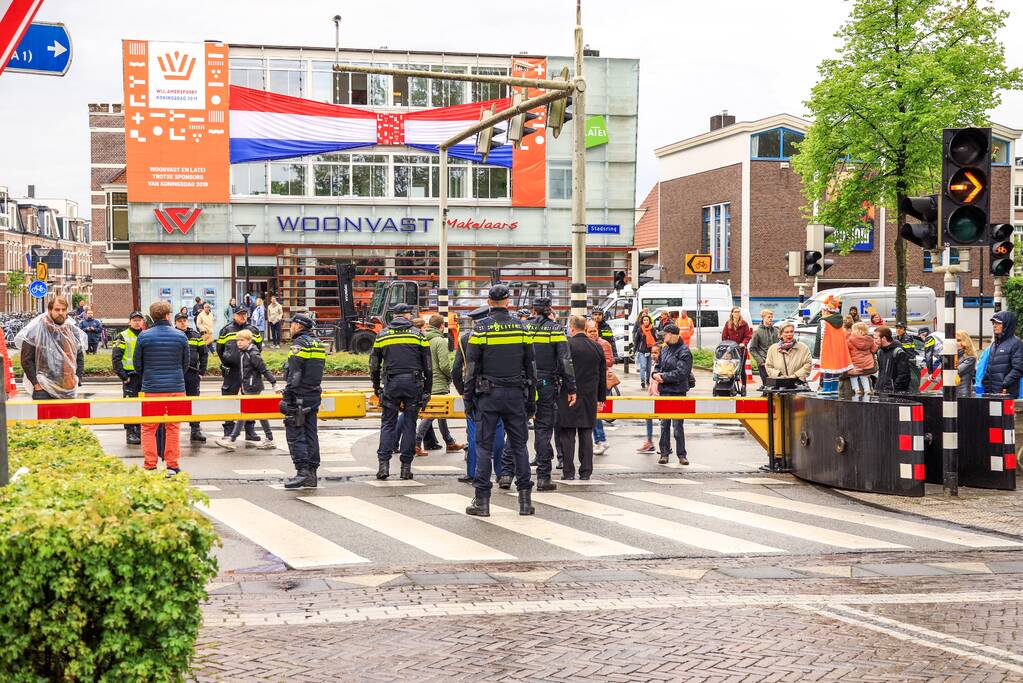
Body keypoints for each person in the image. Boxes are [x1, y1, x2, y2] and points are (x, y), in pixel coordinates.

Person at [464, 285, 537, 517]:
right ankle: (525, 501)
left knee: (484, 447)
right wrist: (531, 401)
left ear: (489, 301)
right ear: (508, 301)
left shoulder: (481, 329)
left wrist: (468, 399)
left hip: (488, 396)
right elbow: (531, 367)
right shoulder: (522, 327)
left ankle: (482, 502)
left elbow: (471, 369)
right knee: (519, 447)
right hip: (516, 394)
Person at [370, 303, 432, 481]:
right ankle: (406, 468)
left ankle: (383, 465)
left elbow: (374, 365)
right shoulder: (418, 335)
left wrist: (377, 387)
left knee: (388, 424)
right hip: (413, 384)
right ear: (406, 316)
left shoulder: (382, 335)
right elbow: (428, 366)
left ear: (394, 316)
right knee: (409, 425)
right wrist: (427, 390)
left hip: (391, 384)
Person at [133, 300, 189, 476]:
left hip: (151, 388)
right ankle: (172, 465)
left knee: (149, 427)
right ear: (168, 315)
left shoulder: (143, 336)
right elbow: (185, 364)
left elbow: (137, 364)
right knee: (173, 427)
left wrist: (148, 376)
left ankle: (150, 465)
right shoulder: (180, 336)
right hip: (176, 388)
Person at [526, 297, 576, 492]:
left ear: (534, 311)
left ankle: (506, 473)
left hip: (525, 383)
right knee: (544, 430)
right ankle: (543, 477)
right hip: (546, 384)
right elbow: (565, 361)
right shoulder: (555, 330)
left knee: (517, 428)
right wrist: (571, 388)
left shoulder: (524, 327)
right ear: (548, 310)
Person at [453, 306, 506, 485]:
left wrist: (463, 391)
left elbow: (455, 370)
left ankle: (474, 472)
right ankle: (501, 472)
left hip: (475, 390)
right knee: (499, 431)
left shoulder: (466, 339)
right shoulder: (500, 335)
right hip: (500, 388)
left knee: (475, 432)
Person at [557, 315, 606, 481]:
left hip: (568, 394)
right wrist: (601, 397)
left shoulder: (567, 345)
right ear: (585, 327)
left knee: (567, 434)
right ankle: (586, 471)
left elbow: (561, 369)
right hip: (589, 396)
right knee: (586, 432)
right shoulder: (596, 347)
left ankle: (568, 471)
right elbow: (602, 375)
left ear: (571, 327)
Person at [282, 314, 327, 489]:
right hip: (313, 394)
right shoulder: (317, 343)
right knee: (310, 433)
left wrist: (288, 395)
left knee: (295, 433)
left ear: (299, 325)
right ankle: (312, 474)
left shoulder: (299, 344)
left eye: (292, 324)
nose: (290, 326)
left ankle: (302, 472)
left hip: (299, 395)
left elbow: (295, 372)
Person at [216, 329, 277, 450]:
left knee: (243, 413)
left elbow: (263, 369)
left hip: (252, 387)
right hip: (247, 387)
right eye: (237, 340)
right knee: (259, 413)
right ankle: (270, 438)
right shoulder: (243, 352)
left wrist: (274, 383)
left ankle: (232, 439)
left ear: (249, 341)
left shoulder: (252, 353)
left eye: (242, 340)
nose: (239, 343)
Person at [16, 295, 86, 400]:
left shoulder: (72, 330)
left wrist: (77, 379)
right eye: (57, 309)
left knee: (69, 417)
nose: (61, 313)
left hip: (67, 386)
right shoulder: (36, 330)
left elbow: (79, 356)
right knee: (45, 416)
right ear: (49, 310)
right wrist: (36, 384)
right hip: (44, 389)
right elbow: (26, 360)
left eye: (63, 310)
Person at [414, 314, 464, 457]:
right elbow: (444, 364)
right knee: (433, 413)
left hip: (426, 380)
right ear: (441, 326)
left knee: (442, 411)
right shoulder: (440, 341)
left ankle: (449, 442)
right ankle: (416, 442)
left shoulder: (422, 338)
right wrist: (450, 377)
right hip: (438, 381)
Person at [217, 307, 264, 442]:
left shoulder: (253, 330)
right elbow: (220, 349)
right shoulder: (226, 330)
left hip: (249, 372)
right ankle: (228, 431)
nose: (242, 316)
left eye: (244, 314)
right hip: (232, 371)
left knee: (249, 401)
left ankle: (250, 431)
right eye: (239, 314)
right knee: (229, 401)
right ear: (234, 315)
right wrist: (227, 361)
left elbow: (258, 348)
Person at [653, 322, 692, 465]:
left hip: (678, 392)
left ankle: (681, 454)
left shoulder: (684, 351)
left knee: (677, 426)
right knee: (664, 425)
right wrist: (655, 374)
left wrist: (663, 377)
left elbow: (682, 373)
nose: (663, 337)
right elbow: (657, 366)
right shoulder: (665, 349)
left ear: (673, 335)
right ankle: (664, 453)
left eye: (665, 335)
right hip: (665, 392)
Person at [174, 311, 209, 442]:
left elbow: (204, 354)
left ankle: (195, 430)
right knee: (174, 402)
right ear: (175, 323)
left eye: (185, 320)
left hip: (192, 373)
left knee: (194, 402)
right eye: (180, 321)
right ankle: (171, 429)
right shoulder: (173, 335)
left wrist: (201, 372)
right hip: (176, 374)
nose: (183, 323)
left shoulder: (195, 335)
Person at [112, 311, 146, 444]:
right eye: (134, 320)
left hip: (143, 376)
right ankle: (130, 432)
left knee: (142, 405)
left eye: (139, 320)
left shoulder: (145, 335)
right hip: (130, 377)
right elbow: (116, 359)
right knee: (130, 405)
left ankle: (139, 430)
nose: (137, 322)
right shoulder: (123, 336)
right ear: (129, 322)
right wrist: (123, 377)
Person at [585, 319, 614, 456]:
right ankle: (598, 440)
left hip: (602, 381)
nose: (592, 334)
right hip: (592, 379)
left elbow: (610, 361)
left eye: (594, 331)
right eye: (589, 331)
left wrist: (595, 360)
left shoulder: (604, 344)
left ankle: (601, 440)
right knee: (593, 413)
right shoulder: (587, 343)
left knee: (596, 412)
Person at [978, 311, 1023, 397]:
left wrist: (1004, 384)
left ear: (1007, 325)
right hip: (991, 391)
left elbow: (1018, 368)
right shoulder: (995, 344)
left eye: (998, 323)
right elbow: (990, 366)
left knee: (1003, 411)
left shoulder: (1016, 343)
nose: (994, 326)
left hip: (1005, 392)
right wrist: (986, 383)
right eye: (994, 323)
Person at [637, 343, 662, 454]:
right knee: (649, 416)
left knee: (664, 422)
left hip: (660, 397)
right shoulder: (654, 364)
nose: (653, 355)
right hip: (653, 396)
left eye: (656, 353)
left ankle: (665, 444)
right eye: (652, 352)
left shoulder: (662, 364)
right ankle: (650, 442)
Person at [875, 325, 912, 394]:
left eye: (876, 338)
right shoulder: (880, 352)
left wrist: (894, 389)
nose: (874, 341)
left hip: (893, 393)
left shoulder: (898, 352)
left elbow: (904, 375)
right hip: (881, 391)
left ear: (883, 338)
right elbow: (881, 373)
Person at [847, 321, 878, 396]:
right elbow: (874, 350)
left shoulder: (850, 340)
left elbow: (846, 352)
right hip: (867, 363)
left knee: (853, 376)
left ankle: (856, 389)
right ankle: (867, 390)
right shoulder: (870, 340)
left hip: (855, 363)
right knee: (864, 376)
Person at [748, 310, 778, 385]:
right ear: (763, 318)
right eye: (768, 317)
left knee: (775, 384)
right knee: (766, 384)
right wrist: (760, 361)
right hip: (763, 362)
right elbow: (752, 349)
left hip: (775, 362)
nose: (771, 319)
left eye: (771, 317)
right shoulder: (757, 332)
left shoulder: (776, 331)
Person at [633, 313, 656, 389]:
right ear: (642, 321)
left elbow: (656, 339)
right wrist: (634, 350)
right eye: (644, 320)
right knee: (643, 366)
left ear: (649, 321)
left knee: (649, 368)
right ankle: (642, 381)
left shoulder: (653, 329)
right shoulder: (640, 329)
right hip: (642, 351)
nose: (646, 321)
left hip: (650, 351)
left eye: (647, 320)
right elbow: (636, 341)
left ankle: (647, 380)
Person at [956, 330, 977, 398]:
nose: (955, 343)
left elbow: (956, 371)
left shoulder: (970, 358)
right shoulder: (954, 356)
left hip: (963, 393)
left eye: (959, 340)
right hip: (953, 392)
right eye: (954, 340)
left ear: (965, 342)